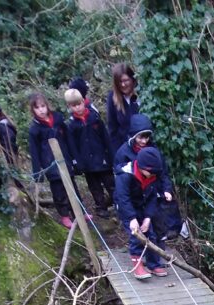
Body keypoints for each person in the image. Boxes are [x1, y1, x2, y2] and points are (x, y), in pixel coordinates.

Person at [113, 113, 184, 241]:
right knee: (137, 227)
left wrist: (166, 189)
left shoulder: (153, 150)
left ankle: (159, 239)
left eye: (147, 137)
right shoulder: (123, 153)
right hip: (135, 193)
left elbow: (163, 172)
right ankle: (139, 249)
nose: (144, 141)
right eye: (141, 137)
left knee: (154, 218)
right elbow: (120, 176)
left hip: (151, 190)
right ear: (134, 135)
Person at [114, 145, 169, 280]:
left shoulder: (151, 176)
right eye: (150, 172)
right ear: (142, 167)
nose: (153, 175)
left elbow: (152, 197)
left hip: (143, 206)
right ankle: (137, 264)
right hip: (126, 207)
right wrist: (132, 218)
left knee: (150, 234)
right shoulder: (125, 175)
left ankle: (153, 263)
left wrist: (148, 218)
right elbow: (123, 198)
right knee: (136, 235)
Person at [28, 92, 76, 228]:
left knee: (72, 187)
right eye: (37, 107)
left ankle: (79, 212)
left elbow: (68, 138)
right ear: (33, 110)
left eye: (43, 106)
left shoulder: (58, 119)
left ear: (47, 105)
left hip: (65, 159)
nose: (41, 110)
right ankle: (65, 215)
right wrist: (37, 172)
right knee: (59, 190)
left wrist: (74, 158)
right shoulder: (35, 129)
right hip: (50, 164)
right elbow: (34, 152)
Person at [65, 88, 115, 216]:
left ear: (83, 101)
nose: (77, 108)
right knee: (95, 186)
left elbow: (106, 138)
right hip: (87, 162)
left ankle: (118, 203)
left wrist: (111, 155)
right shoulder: (71, 125)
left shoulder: (95, 118)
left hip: (102, 158)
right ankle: (101, 207)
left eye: (79, 104)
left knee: (110, 183)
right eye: (73, 105)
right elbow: (72, 146)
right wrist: (77, 163)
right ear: (69, 107)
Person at [106, 63, 139, 153]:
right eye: (120, 82)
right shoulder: (112, 98)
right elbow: (112, 129)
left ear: (132, 79)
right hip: (126, 149)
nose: (123, 85)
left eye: (126, 80)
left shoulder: (141, 95)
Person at [0, 102, 24, 190]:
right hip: (11, 163)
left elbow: (9, 149)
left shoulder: (2, 127)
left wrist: (8, 165)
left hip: (9, 163)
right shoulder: (5, 124)